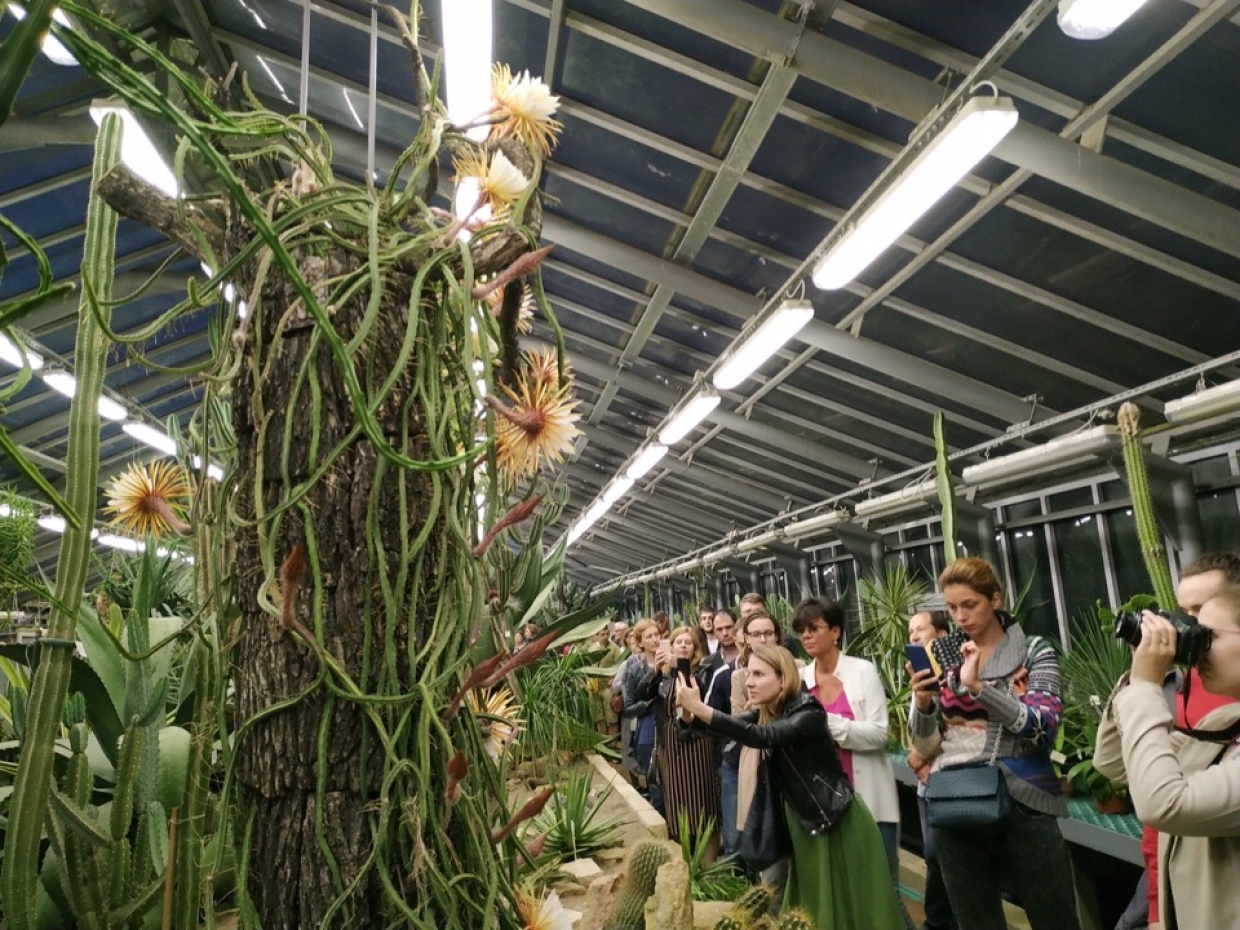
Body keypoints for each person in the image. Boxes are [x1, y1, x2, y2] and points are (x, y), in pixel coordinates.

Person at [677, 644, 904, 930]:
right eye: (749, 675)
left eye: (759, 674)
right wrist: (689, 715)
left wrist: (700, 708)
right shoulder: (769, 711)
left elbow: (762, 736)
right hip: (804, 819)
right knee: (818, 900)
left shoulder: (808, 710)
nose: (749, 682)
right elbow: (731, 727)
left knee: (855, 903)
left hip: (834, 819)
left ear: (783, 678)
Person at [908, 558, 1079, 930]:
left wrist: (979, 689)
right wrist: (922, 705)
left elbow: (1041, 727)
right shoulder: (943, 655)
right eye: (952, 608)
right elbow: (927, 741)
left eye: (970, 605)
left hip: (1026, 798)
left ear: (995, 599)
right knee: (975, 920)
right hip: (958, 797)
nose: (961, 617)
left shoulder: (1034, 650)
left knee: (1055, 915)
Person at [1094, 551, 1240, 930]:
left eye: (1203, 621)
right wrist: (1138, 677)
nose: (1185, 629)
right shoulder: (1219, 716)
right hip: (1177, 879)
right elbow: (1113, 763)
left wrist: (1145, 686)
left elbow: (1165, 802)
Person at [794, 597, 913, 930]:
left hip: (867, 799)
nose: (806, 636)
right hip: (825, 802)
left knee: (883, 888)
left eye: (813, 628)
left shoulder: (863, 671)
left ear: (835, 631)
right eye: (801, 630)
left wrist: (824, 723)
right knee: (844, 888)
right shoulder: (802, 679)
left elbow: (879, 734)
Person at [633, 626, 721, 851]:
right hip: (670, 745)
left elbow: (700, 693)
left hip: (697, 742)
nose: (683, 645)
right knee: (677, 801)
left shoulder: (702, 670)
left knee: (703, 802)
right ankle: (686, 860)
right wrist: (656, 671)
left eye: (688, 642)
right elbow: (641, 693)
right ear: (670, 646)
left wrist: (680, 668)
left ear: (695, 648)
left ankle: (708, 862)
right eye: (678, 642)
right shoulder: (664, 674)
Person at [906, 610, 958, 930]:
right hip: (929, 784)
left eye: (919, 629)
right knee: (934, 858)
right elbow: (917, 728)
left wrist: (922, 755)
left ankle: (938, 923)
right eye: (910, 631)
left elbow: (958, 725)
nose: (913, 636)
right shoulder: (922, 674)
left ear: (941, 635)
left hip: (950, 781)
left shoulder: (956, 670)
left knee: (942, 859)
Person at [623, 618, 664, 812]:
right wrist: (646, 704)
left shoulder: (672, 661)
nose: (655, 639)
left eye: (657, 634)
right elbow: (628, 707)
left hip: (670, 726)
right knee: (654, 775)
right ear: (640, 642)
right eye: (649, 636)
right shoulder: (635, 669)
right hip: (647, 728)